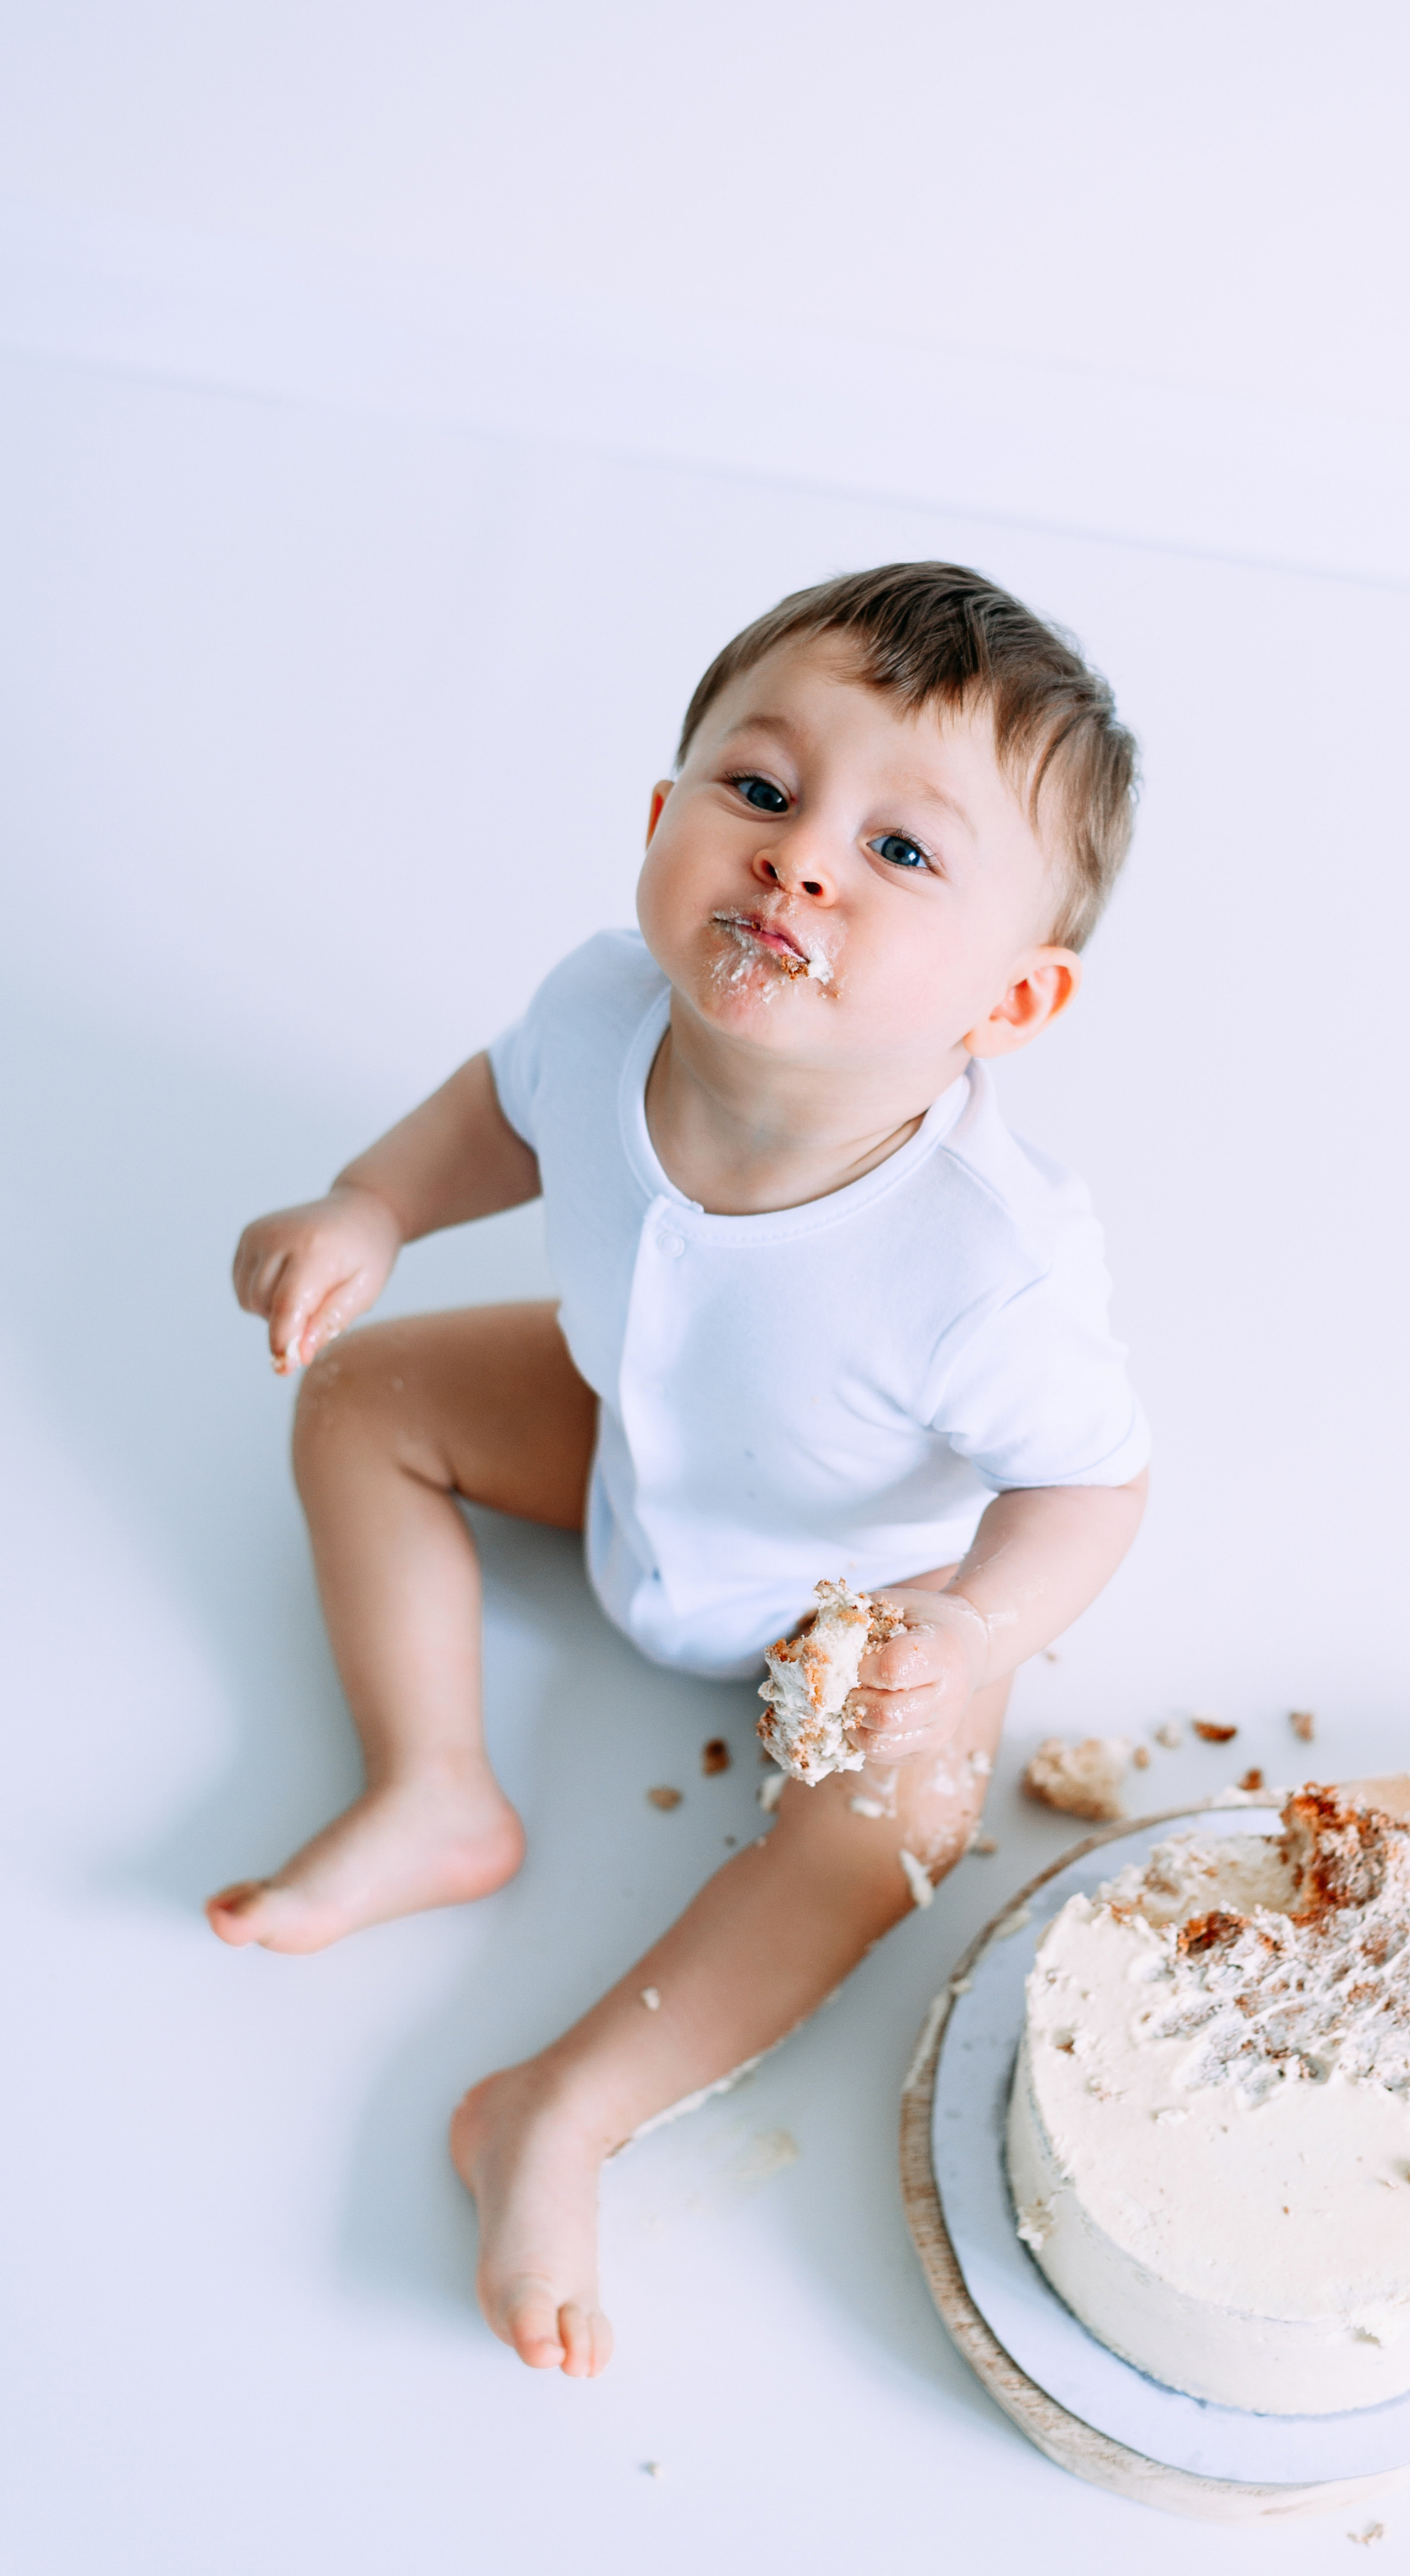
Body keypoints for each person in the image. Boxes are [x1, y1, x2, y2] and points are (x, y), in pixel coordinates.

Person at [211, 562, 1151, 2380]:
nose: (800, 860)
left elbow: (1094, 1485)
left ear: (1014, 1000)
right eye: (762, 790)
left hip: (853, 1601)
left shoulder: (986, 1266)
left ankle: (558, 2109)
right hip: (631, 1453)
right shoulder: (599, 1011)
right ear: (660, 819)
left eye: (901, 854)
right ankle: (433, 1790)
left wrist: (967, 1627)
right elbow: (501, 1109)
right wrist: (374, 1205)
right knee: (357, 1402)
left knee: (884, 1837)